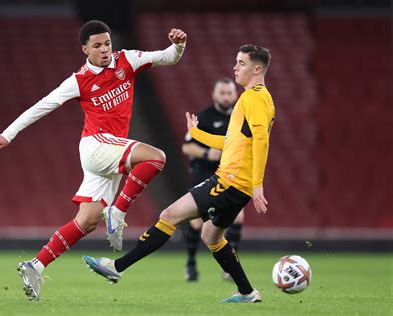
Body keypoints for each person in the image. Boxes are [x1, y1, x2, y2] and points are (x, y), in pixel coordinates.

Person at [0, 20, 187, 301]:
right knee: (157, 157)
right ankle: (118, 212)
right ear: (85, 49)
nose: (105, 49)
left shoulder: (127, 60)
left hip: (111, 149)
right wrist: (8, 134)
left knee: (88, 220)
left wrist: (178, 44)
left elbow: (168, 57)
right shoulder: (79, 80)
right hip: (96, 146)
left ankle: (35, 265)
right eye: (97, 46)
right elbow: (42, 105)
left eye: (107, 43)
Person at [83, 44, 275, 303]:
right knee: (211, 236)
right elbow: (234, 141)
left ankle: (116, 267)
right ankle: (247, 292)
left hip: (230, 182)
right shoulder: (257, 98)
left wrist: (258, 185)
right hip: (235, 186)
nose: (235, 67)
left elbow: (261, 139)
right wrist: (197, 134)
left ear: (257, 69)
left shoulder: (253, 97)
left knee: (169, 215)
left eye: (241, 63)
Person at [181, 77, 245, 282]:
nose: (226, 97)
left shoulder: (239, 117)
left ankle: (229, 267)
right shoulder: (205, 117)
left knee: (238, 217)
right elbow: (187, 146)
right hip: (204, 175)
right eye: (222, 93)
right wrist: (208, 153)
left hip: (230, 175)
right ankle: (191, 264)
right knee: (197, 223)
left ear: (235, 95)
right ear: (214, 95)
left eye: (229, 93)